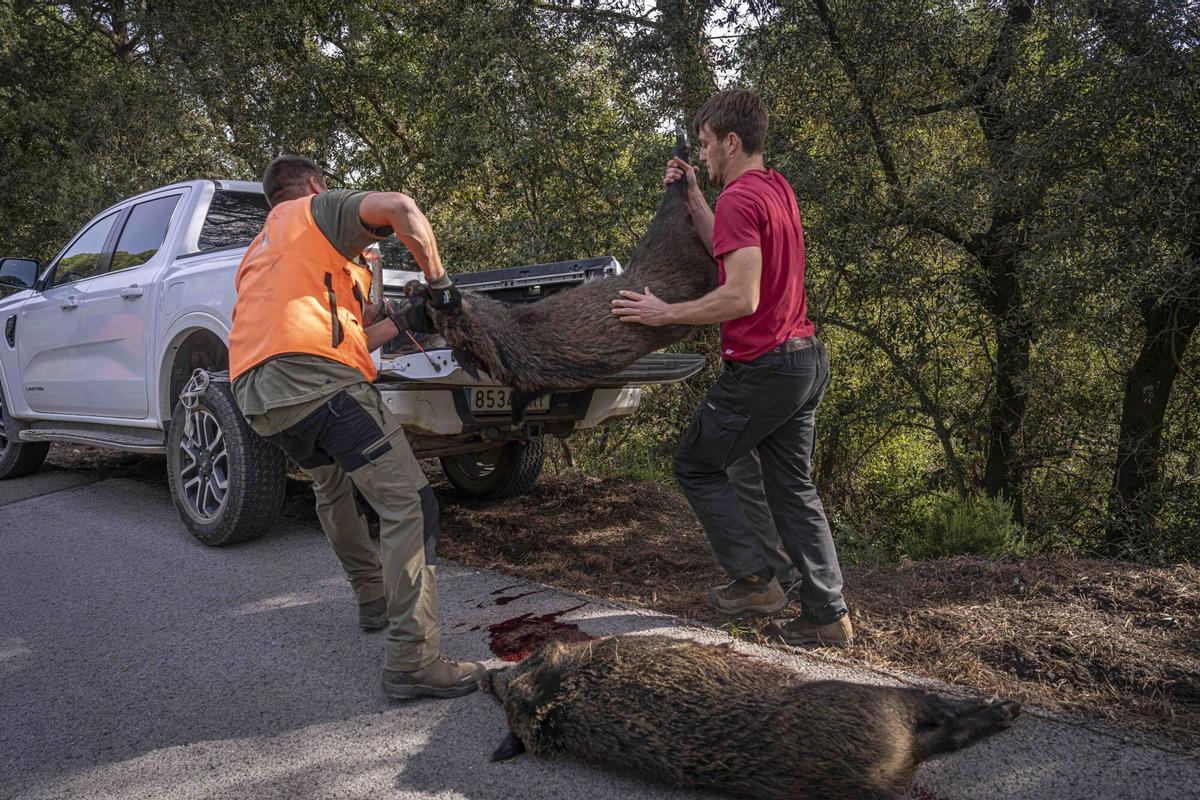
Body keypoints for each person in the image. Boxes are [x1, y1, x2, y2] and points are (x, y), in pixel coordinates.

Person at [228, 155, 486, 696]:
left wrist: (406, 321)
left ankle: (373, 601)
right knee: (412, 505)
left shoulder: (265, 249)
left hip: (261, 397)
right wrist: (439, 286)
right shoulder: (317, 211)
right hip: (314, 384)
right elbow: (401, 208)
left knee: (333, 485)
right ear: (316, 186)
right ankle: (415, 659)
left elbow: (349, 339)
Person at [611, 90, 852, 647]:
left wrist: (664, 312)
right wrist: (695, 196)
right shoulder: (774, 188)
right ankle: (827, 614)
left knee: (696, 464)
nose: (704, 156)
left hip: (763, 365)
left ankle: (757, 581)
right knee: (792, 488)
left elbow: (741, 296)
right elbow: (730, 239)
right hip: (803, 360)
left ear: (731, 141)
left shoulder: (743, 198)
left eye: (707, 146)